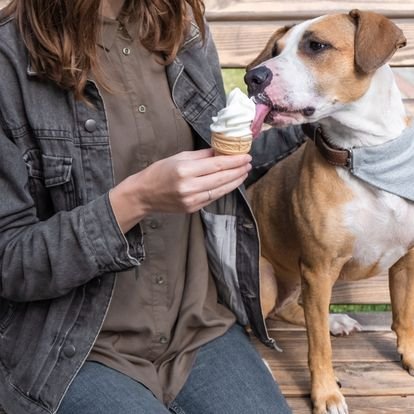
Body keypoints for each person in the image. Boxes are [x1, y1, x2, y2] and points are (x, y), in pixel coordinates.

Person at [0, 1, 305, 413]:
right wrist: (134, 200)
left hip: (199, 328)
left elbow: (219, 167)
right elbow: (10, 263)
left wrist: (320, 121)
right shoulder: (9, 59)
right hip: (74, 348)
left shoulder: (179, 28)